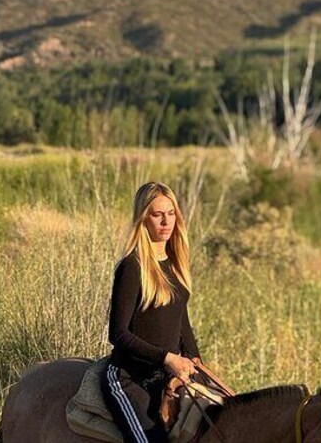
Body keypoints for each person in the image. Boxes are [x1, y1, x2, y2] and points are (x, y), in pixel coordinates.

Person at [100, 181, 202, 443]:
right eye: (157, 215)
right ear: (143, 218)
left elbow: (181, 320)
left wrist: (195, 360)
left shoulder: (177, 264)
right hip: (128, 377)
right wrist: (167, 357)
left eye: (171, 213)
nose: (166, 222)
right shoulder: (132, 267)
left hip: (165, 376)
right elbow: (118, 333)